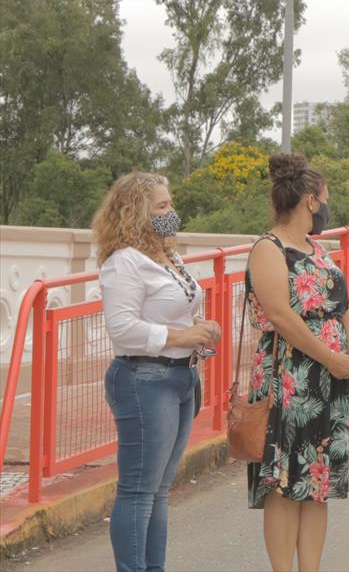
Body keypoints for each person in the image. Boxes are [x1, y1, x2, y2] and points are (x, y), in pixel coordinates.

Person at [245, 153, 349, 572]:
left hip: (329, 377)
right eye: (327, 197)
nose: (329, 205)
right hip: (290, 378)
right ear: (311, 201)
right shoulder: (268, 248)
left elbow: (341, 305)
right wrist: (332, 357)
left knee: (317, 480)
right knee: (284, 483)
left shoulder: (318, 248)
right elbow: (281, 316)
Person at [95, 172, 220, 572]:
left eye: (170, 204)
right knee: (138, 491)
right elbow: (122, 329)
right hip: (144, 380)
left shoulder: (166, 255)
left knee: (159, 491)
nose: (172, 213)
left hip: (181, 378)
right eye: (162, 207)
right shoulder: (124, 262)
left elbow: (175, 306)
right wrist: (181, 336)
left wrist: (199, 328)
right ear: (136, 213)